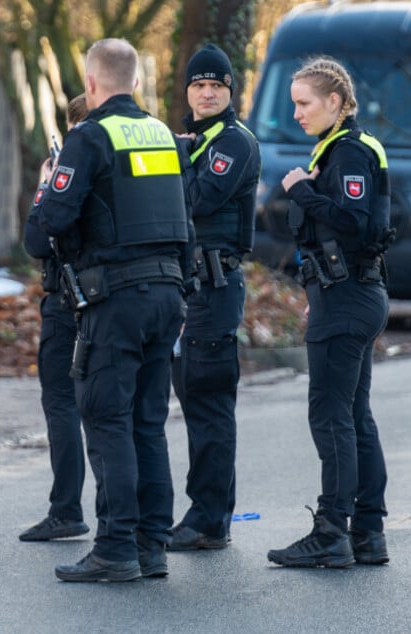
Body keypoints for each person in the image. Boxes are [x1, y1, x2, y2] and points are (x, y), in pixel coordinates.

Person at [39, 38, 191, 582]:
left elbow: (50, 223)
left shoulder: (88, 136)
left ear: (91, 81)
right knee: (148, 424)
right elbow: (184, 219)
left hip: (116, 299)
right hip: (168, 296)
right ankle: (152, 545)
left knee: (107, 418)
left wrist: (45, 196)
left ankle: (115, 548)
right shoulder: (163, 135)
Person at [267, 56, 391, 568]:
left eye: (304, 103)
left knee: (332, 416)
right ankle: (367, 533)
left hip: (344, 299)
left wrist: (300, 190)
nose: (296, 113)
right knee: (354, 416)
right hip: (357, 294)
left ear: (335, 102)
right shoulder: (344, 149)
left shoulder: (346, 153)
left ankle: (331, 532)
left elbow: (354, 222)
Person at [169, 44, 261, 551]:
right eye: (199, 85)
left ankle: (208, 520)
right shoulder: (195, 140)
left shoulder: (233, 142)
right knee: (196, 403)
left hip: (215, 286)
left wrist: (177, 157)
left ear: (229, 91)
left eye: (216, 86)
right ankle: (206, 514)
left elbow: (199, 199)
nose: (207, 92)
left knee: (208, 406)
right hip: (188, 290)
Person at [19, 95, 91, 542]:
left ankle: (66, 509)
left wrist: (42, 187)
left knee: (62, 402)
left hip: (69, 301)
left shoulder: (70, 165)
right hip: (119, 299)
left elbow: (36, 240)